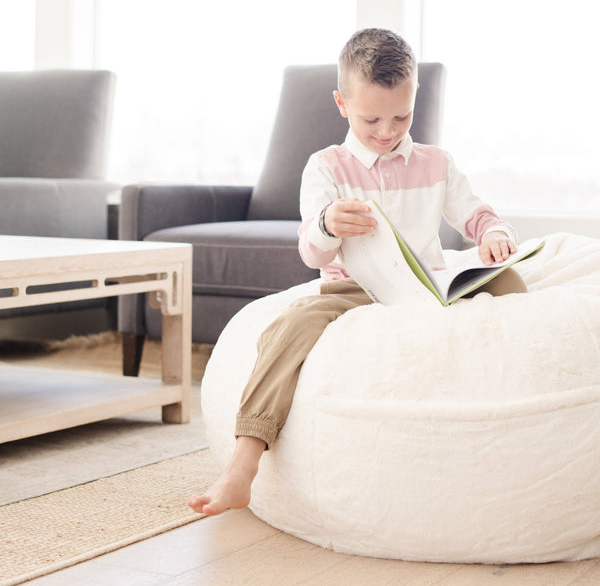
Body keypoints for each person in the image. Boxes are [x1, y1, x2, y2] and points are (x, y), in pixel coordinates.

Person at [188, 28, 526, 516]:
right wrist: (328, 225)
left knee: (510, 284)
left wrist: (494, 234)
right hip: (356, 288)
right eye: (372, 119)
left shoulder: (437, 163)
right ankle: (243, 465)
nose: (388, 131)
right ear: (342, 104)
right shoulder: (326, 167)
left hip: (429, 287)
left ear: (415, 97)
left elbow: (477, 214)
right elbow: (309, 249)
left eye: (401, 116)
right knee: (289, 326)